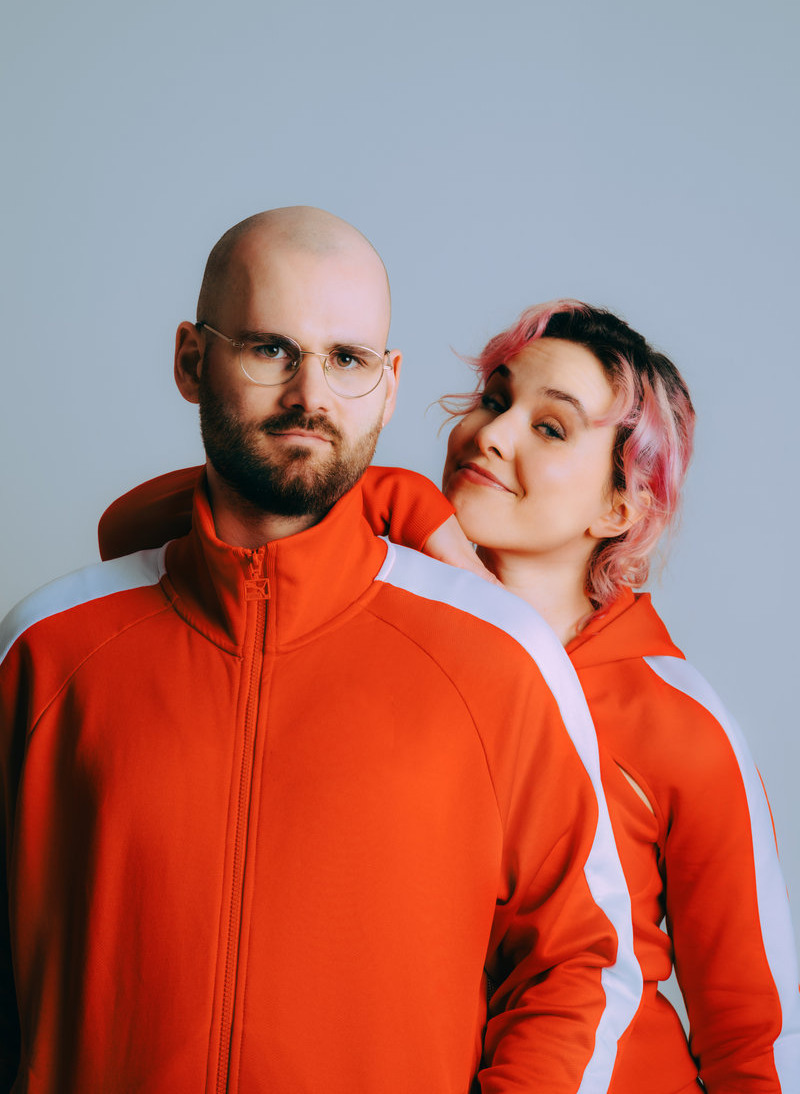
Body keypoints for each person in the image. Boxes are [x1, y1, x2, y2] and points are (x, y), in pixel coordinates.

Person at [0, 212, 641, 1094]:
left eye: (347, 359)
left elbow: (581, 965)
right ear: (191, 360)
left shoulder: (501, 658)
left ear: (389, 384)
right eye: (270, 349)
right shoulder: (48, 649)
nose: (311, 395)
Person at [100, 298, 800, 1092]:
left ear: (621, 505)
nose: (492, 434)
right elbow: (131, 534)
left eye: (550, 427)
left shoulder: (675, 720)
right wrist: (388, 498)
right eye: (494, 400)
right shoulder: (381, 626)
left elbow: (754, 1036)